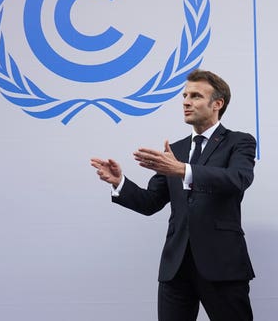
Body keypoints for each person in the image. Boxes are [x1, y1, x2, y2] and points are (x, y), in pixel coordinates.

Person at [91, 69, 256, 321]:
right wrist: (120, 183)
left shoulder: (239, 141)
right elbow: (150, 202)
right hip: (175, 267)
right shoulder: (176, 150)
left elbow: (238, 180)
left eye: (196, 96)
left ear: (217, 104)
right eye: (185, 95)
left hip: (222, 264)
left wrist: (183, 170)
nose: (186, 102)